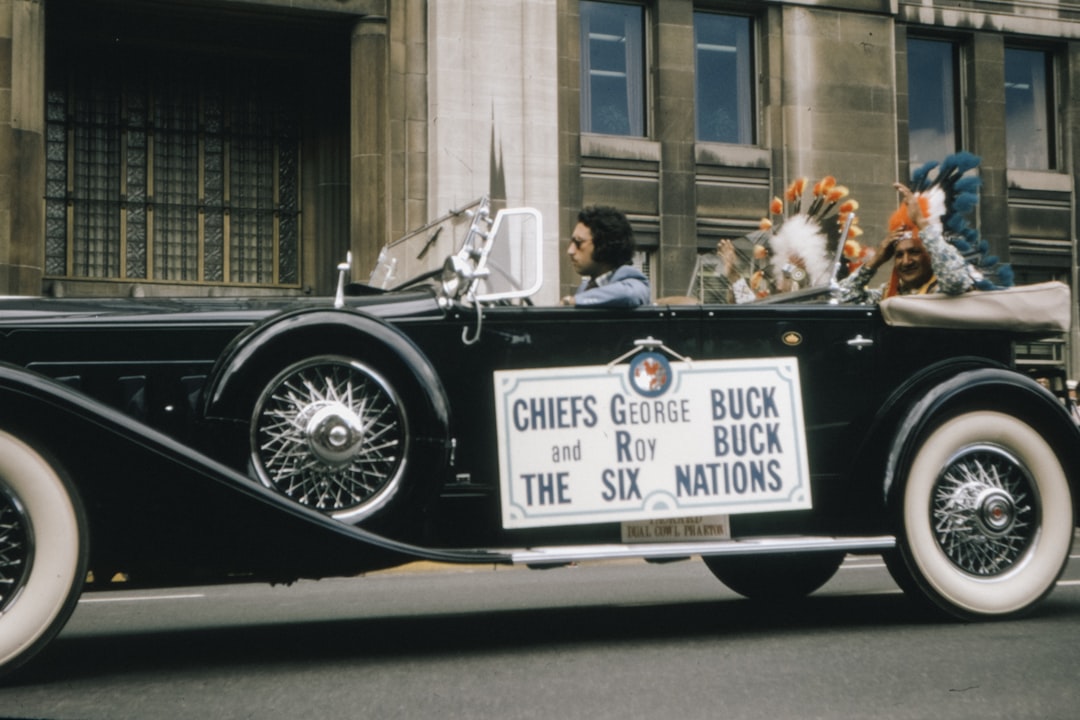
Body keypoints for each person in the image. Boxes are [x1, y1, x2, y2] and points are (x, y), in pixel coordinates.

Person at [838, 183, 974, 304]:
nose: (906, 261)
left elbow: (956, 280)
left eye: (914, 252)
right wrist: (876, 260)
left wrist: (921, 222)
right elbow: (841, 296)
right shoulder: (888, 296)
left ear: (931, 254)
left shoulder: (945, 292)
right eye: (899, 255)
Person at [561, 205, 650, 307]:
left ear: (603, 245)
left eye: (578, 242)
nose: (570, 251)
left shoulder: (633, 282)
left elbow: (629, 295)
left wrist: (573, 301)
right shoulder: (586, 287)